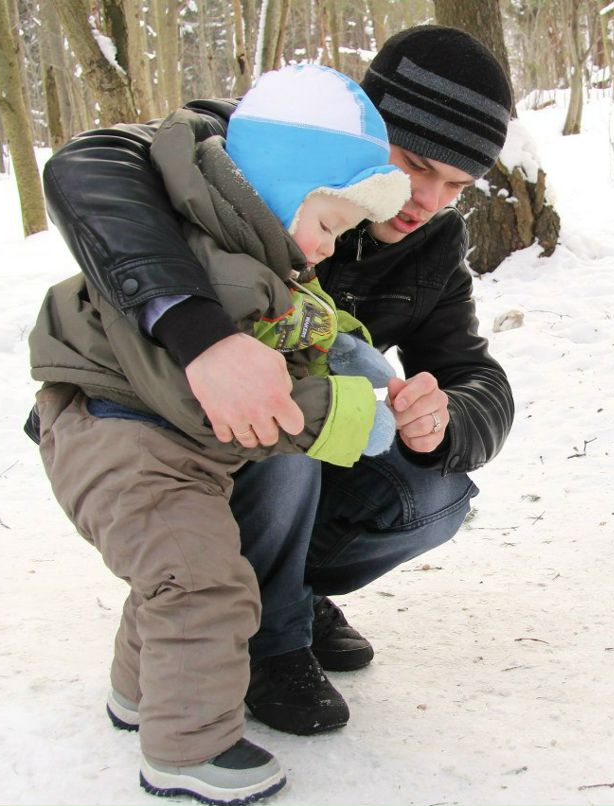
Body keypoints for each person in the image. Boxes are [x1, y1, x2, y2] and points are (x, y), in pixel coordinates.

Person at [29, 24, 514, 804]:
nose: (427, 204)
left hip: (247, 439)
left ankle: (274, 597)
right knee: (272, 435)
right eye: (416, 166)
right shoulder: (247, 149)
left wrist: (444, 416)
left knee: (436, 495)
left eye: (456, 187)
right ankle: (251, 657)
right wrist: (199, 334)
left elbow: (473, 371)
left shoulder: (430, 245)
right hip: (149, 419)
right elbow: (86, 166)